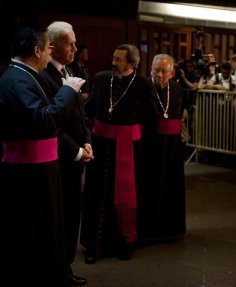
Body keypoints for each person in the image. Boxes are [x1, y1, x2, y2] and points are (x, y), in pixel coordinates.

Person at [0, 23, 85, 287]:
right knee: (35, 231)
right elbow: (43, 120)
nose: (50, 54)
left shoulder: (21, 74)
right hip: (30, 170)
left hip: (41, 165)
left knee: (48, 228)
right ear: (37, 51)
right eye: (48, 48)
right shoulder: (16, 78)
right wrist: (68, 91)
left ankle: (53, 274)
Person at [80, 44, 160, 264]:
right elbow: (89, 107)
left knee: (125, 199)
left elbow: (152, 121)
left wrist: (138, 143)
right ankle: (94, 246)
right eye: (113, 58)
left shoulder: (143, 85)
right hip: (101, 145)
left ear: (132, 64)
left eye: (119, 60)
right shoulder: (102, 78)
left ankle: (124, 244)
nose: (113, 63)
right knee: (97, 195)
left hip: (129, 151)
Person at [38, 21, 92, 286]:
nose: (74, 48)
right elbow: (52, 125)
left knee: (72, 216)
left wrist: (88, 142)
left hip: (77, 155)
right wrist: (77, 150)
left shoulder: (71, 69)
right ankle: (60, 271)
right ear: (52, 45)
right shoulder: (42, 75)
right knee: (59, 219)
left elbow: (82, 114)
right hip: (58, 158)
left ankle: (66, 267)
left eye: (74, 42)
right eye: (68, 43)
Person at [139, 54, 186, 242]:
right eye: (155, 70)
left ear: (172, 73)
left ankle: (170, 229)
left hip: (173, 146)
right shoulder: (144, 87)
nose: (159, 74)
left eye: (164, 71)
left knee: (171, 185)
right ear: (150, 69)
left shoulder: (177, 88)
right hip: (150, 143)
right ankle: (147, 230)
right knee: (150, 185)